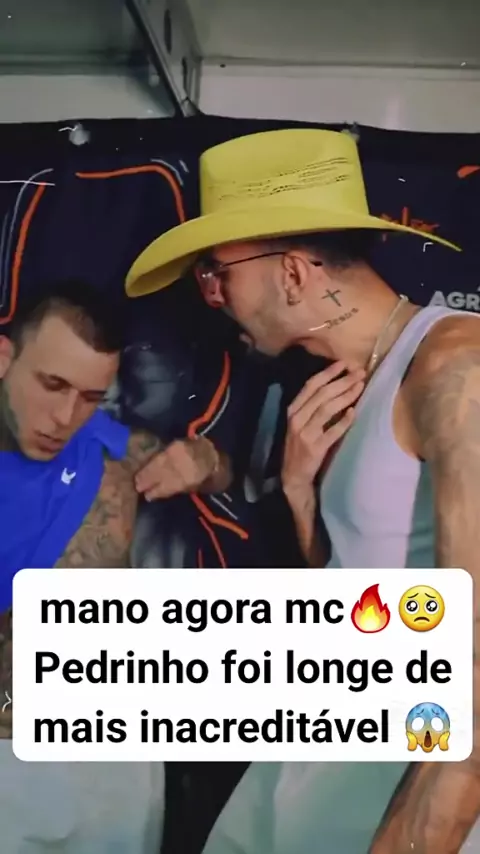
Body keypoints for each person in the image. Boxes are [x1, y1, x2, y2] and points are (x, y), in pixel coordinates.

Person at [125, 128, 480, 853]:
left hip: (393, 807)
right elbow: (371, 604)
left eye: (216, 272)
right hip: (311, 782)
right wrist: (303, 499)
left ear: (291, 274)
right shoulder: (360, 386)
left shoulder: (457, 368)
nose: (212, 297)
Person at [0, 279, 231, 854]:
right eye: (52, 384)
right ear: (4, 357)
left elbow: (219, 471)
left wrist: (204, 458)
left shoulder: (109, 448)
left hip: (109, 762)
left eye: (89, 396)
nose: (64, 417)